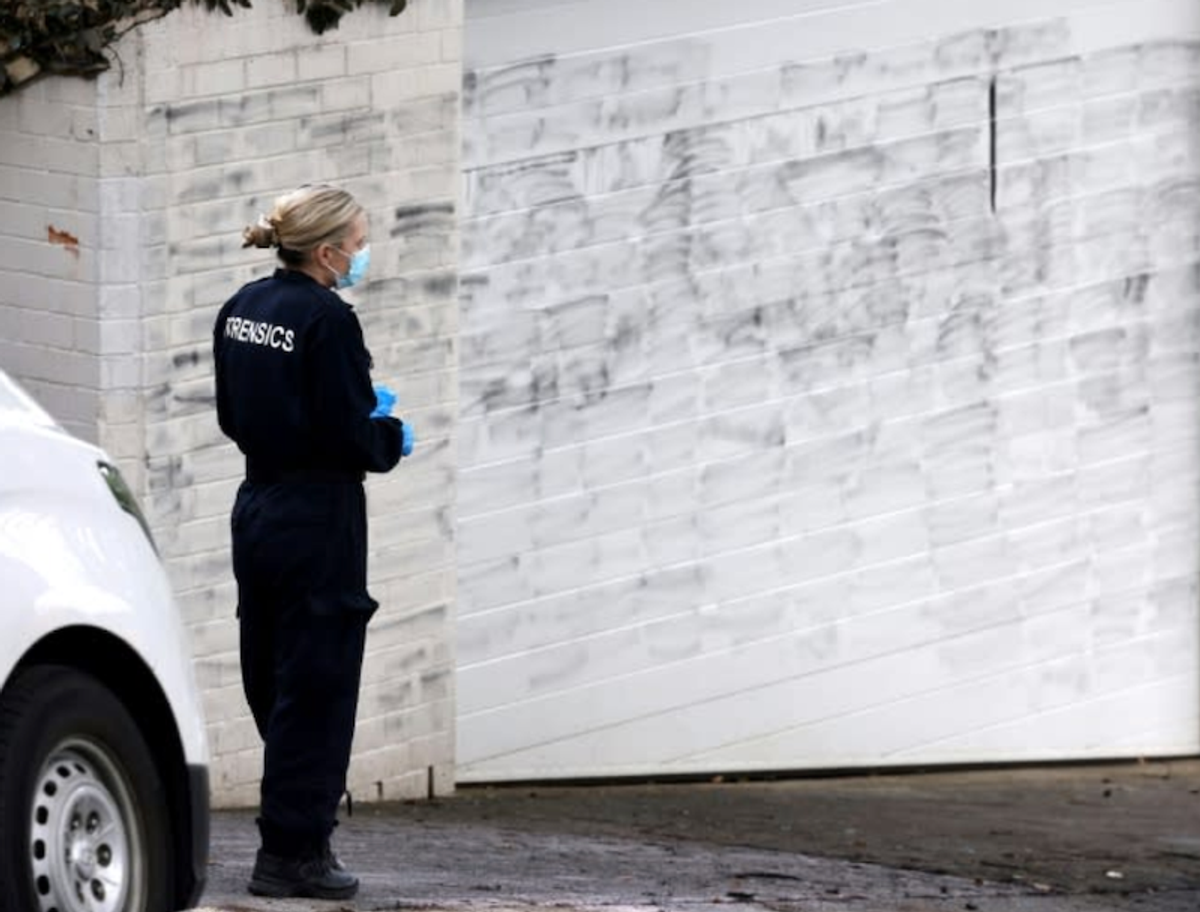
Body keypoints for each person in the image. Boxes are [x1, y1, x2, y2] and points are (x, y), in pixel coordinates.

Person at [212, 184, 415, 899]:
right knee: (318, 684)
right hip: (318, 516)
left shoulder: (243, 307)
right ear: (326, 252)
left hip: (258, 507)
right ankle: (293, 852)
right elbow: (350, 435)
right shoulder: (328, 319)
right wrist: (387, 433)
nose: (363, 254)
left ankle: (291, 831)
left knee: (272, 672)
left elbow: (231, 414)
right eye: (357, 243)